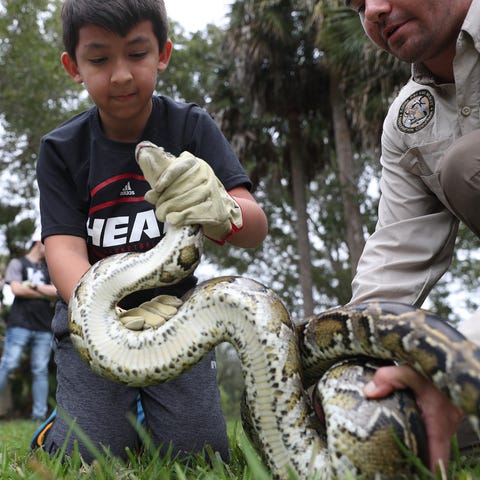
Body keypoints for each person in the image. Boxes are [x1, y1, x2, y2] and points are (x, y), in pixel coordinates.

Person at [34, 0, 268, 464]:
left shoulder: (190, 126)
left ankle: (146, 423)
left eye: (136, 54)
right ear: (73, 67)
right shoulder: (61, 149)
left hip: (178, 315)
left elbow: (253, 226)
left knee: (201, 456)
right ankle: (62, 428)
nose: (120, 74)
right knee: (88, 455)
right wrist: (108, 314)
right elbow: (61, 249)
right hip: (93, 317)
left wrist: (223, 210)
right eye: (99, 59)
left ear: (163, 53)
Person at [345, 0, 480, 472]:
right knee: (396, 409)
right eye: (357, 4)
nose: (375, 10)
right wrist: (351, 374)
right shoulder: (406, 121)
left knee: (467, 165)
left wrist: (461, 361)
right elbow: (392, 266)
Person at [0, 238, 57, 421]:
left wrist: (34, 286)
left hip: (43, 326)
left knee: (40, 370)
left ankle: (39, 416)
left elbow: (57, 291)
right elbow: (17, 289)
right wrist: (43, 293)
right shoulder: (18, 263)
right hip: (19, 324)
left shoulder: (50, 268)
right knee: (8, 364)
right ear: (38, 243)